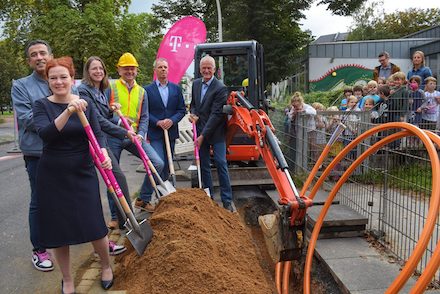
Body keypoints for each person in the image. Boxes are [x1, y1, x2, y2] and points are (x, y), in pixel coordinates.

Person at [32, 57, 114, 293]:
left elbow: (97, 134)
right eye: (53, 78)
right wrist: (68, 111)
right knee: (59, 231)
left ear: (72, 78)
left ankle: (106, 266)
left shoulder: (85, 102)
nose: (59, 82)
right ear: (48, 81)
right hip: (53, 173)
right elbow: (46, 134)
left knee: (94, 224)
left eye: (63, 77)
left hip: (82, 170)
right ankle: (67, 279)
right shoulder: (42, 106)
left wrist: (104, 154)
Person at [78, 56, 134, 241]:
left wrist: (114, 111)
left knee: (114, 179)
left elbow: (104, 114)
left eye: (100, 68)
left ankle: (124, 220)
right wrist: (124, 132)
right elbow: (98, 121)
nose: (98, 72)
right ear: (88, 71)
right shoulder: (84, 91)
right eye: (94, 68)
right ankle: (127, 220)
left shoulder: (100, 89)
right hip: (92, 143)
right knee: (116, 178)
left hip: (101, 139)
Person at [11, 39, 54, 272]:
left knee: (66, 196)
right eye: (34, 54)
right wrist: (59, 120)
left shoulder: (59, 78)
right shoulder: (21, 85)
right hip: (37, 152)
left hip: (63, 151)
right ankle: (39, 249)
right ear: (29, 60)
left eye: (43, 53)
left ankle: (65, 238)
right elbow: (27, 118)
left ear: (50, 56)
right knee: (39, 200)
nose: (39, 57)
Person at [106, 52, 164, 212]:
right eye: (126, 69)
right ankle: (114, 216)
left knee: (157, 163)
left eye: (132, 69)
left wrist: (142, 133)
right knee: (113, 175)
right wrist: (118, 121)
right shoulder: (110, 87)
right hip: (114, 136)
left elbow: (144, 117)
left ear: (137, 71)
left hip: (134, 136)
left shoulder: (142, 91)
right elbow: (103, 115)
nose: (129, 72)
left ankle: (143, 198)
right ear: (119, 70)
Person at [189, 55, 233, 212]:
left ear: (215, 70)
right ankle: (209, 198)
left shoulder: (220, 88)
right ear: (200, 69)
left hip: (216, 132)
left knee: (221, 163)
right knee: (204, 166)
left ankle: (227, 200)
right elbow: (194, 105)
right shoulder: (195, 85)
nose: (206, 70)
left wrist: (202, 136)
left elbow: (216, 115)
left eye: (209, 68)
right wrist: (193, 114)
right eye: (204, 68)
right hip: (200, 131)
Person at [144, 58, 186, 182]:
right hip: (155, 133)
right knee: (159, 162)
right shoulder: (147, 90)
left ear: (168, 70)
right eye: (160, 67)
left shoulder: (176, 89)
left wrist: (172, 120)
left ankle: (167, 191)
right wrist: (157, 122)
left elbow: (181, 110)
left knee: (168, 164)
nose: (163, 69)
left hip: (171, 132)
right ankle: (154, 192)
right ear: (155, 70)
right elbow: (145, 112)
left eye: (165, 67)